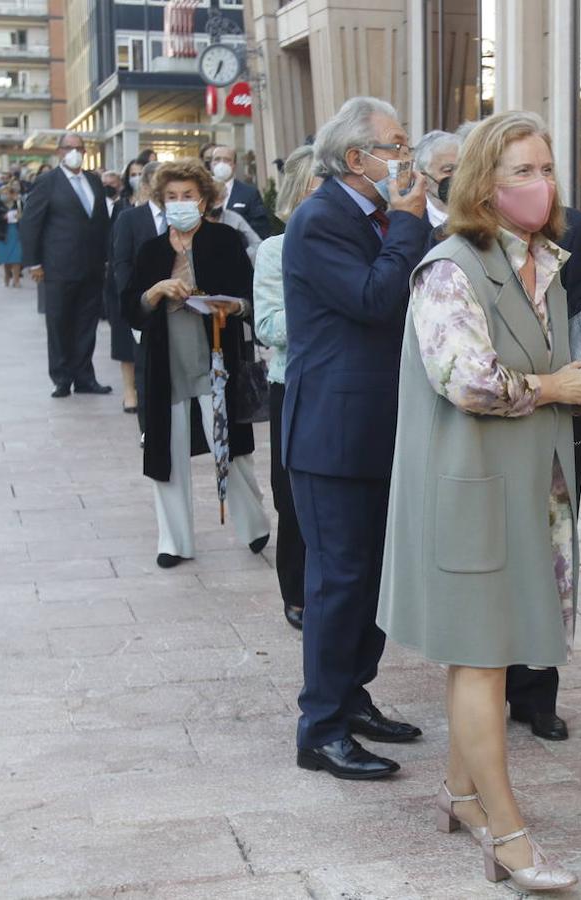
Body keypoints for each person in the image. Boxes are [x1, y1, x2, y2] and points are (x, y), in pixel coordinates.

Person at [377, 110, 581, 893]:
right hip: (469, 490)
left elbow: (558, 363)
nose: (541, 184)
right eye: (522, 170)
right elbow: (466, 377)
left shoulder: (545, 261)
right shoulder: (449, 267)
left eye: (546, 168)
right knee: (481, 658)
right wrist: (558, 387)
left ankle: (459, 793)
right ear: (483, 183)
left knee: (492, 649)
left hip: (527, 484)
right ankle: (509, 834)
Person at [281, 96, 430, 781]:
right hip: (332, 435)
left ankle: (353, 695)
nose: (406, 158)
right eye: (395, 146)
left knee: (373, 579)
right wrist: (406, 224)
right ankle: (322, 728)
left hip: (382, 427)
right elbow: (376, 298)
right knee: (339, 581)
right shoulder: (319, 221)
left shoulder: (375, 217)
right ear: (354, 158)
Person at [121, 159, 270, 569]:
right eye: (172, 197)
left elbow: (249, 298)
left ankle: (253, 525)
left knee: (231, 448)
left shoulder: (223, 240)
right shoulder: (150, 249)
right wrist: (154, 292)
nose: (180, 203)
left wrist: (231, 305)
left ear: (203, 200)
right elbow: (130, 309)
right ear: (161, 201)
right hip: (165, 363)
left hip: (218, 359)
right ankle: (174, 541)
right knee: (165, 452)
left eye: (188, 195)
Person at [254, 146, 321, 631]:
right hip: (294, 382)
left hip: (351, 383)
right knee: (292, 496)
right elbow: (270, 325)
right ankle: (295, 590)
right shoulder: (276, 249)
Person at [20, 133, 113, 397]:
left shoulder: (94, 181)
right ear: (60, 152)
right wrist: (34, 262)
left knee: (86, 324)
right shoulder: (47, 182)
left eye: (79, 148)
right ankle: (61, 378)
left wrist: (106, 257)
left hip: (92, 266)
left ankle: (84, 377)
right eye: (69, 148)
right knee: (59, 323)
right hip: (58, 266)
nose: (75, 152)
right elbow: (31, 223)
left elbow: (101, 222)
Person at [112, 160, 163, 434]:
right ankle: (149, 429)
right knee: (146, 370)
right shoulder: (130, 219)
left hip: (180, 307)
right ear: (145, 186)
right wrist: (133, 304)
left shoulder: (185, 217)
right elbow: (122, 265)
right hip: (145, 307)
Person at [99, 170, 137, 413]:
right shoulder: (120, 209)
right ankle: (129, 390)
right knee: (125, 338)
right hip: (123, 280)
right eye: (134, 173)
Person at [209, 144, 271, 239]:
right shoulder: (200, 191)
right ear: (211, 163)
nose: (221, 163)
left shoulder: (250, 193)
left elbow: (260, 228)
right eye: (217, 159)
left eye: (227, 160)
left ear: (234, 165)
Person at [413, 129, 459, 231]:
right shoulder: (411, 220)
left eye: (462, 168)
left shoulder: (480, 216)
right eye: (448, 170)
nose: (458, 176)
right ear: (423, 178)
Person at [0, 184, 23, 287]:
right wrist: (3, 217)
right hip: (3, 233)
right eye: (2, 193)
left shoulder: (18, 203)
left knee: (17, 257)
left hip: (16, 231)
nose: (4, 195)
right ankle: (7, 275)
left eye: (6, 193)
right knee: (6, 258)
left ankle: (16, 279)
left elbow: (26, 215)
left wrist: (20, 217)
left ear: (12, 194)